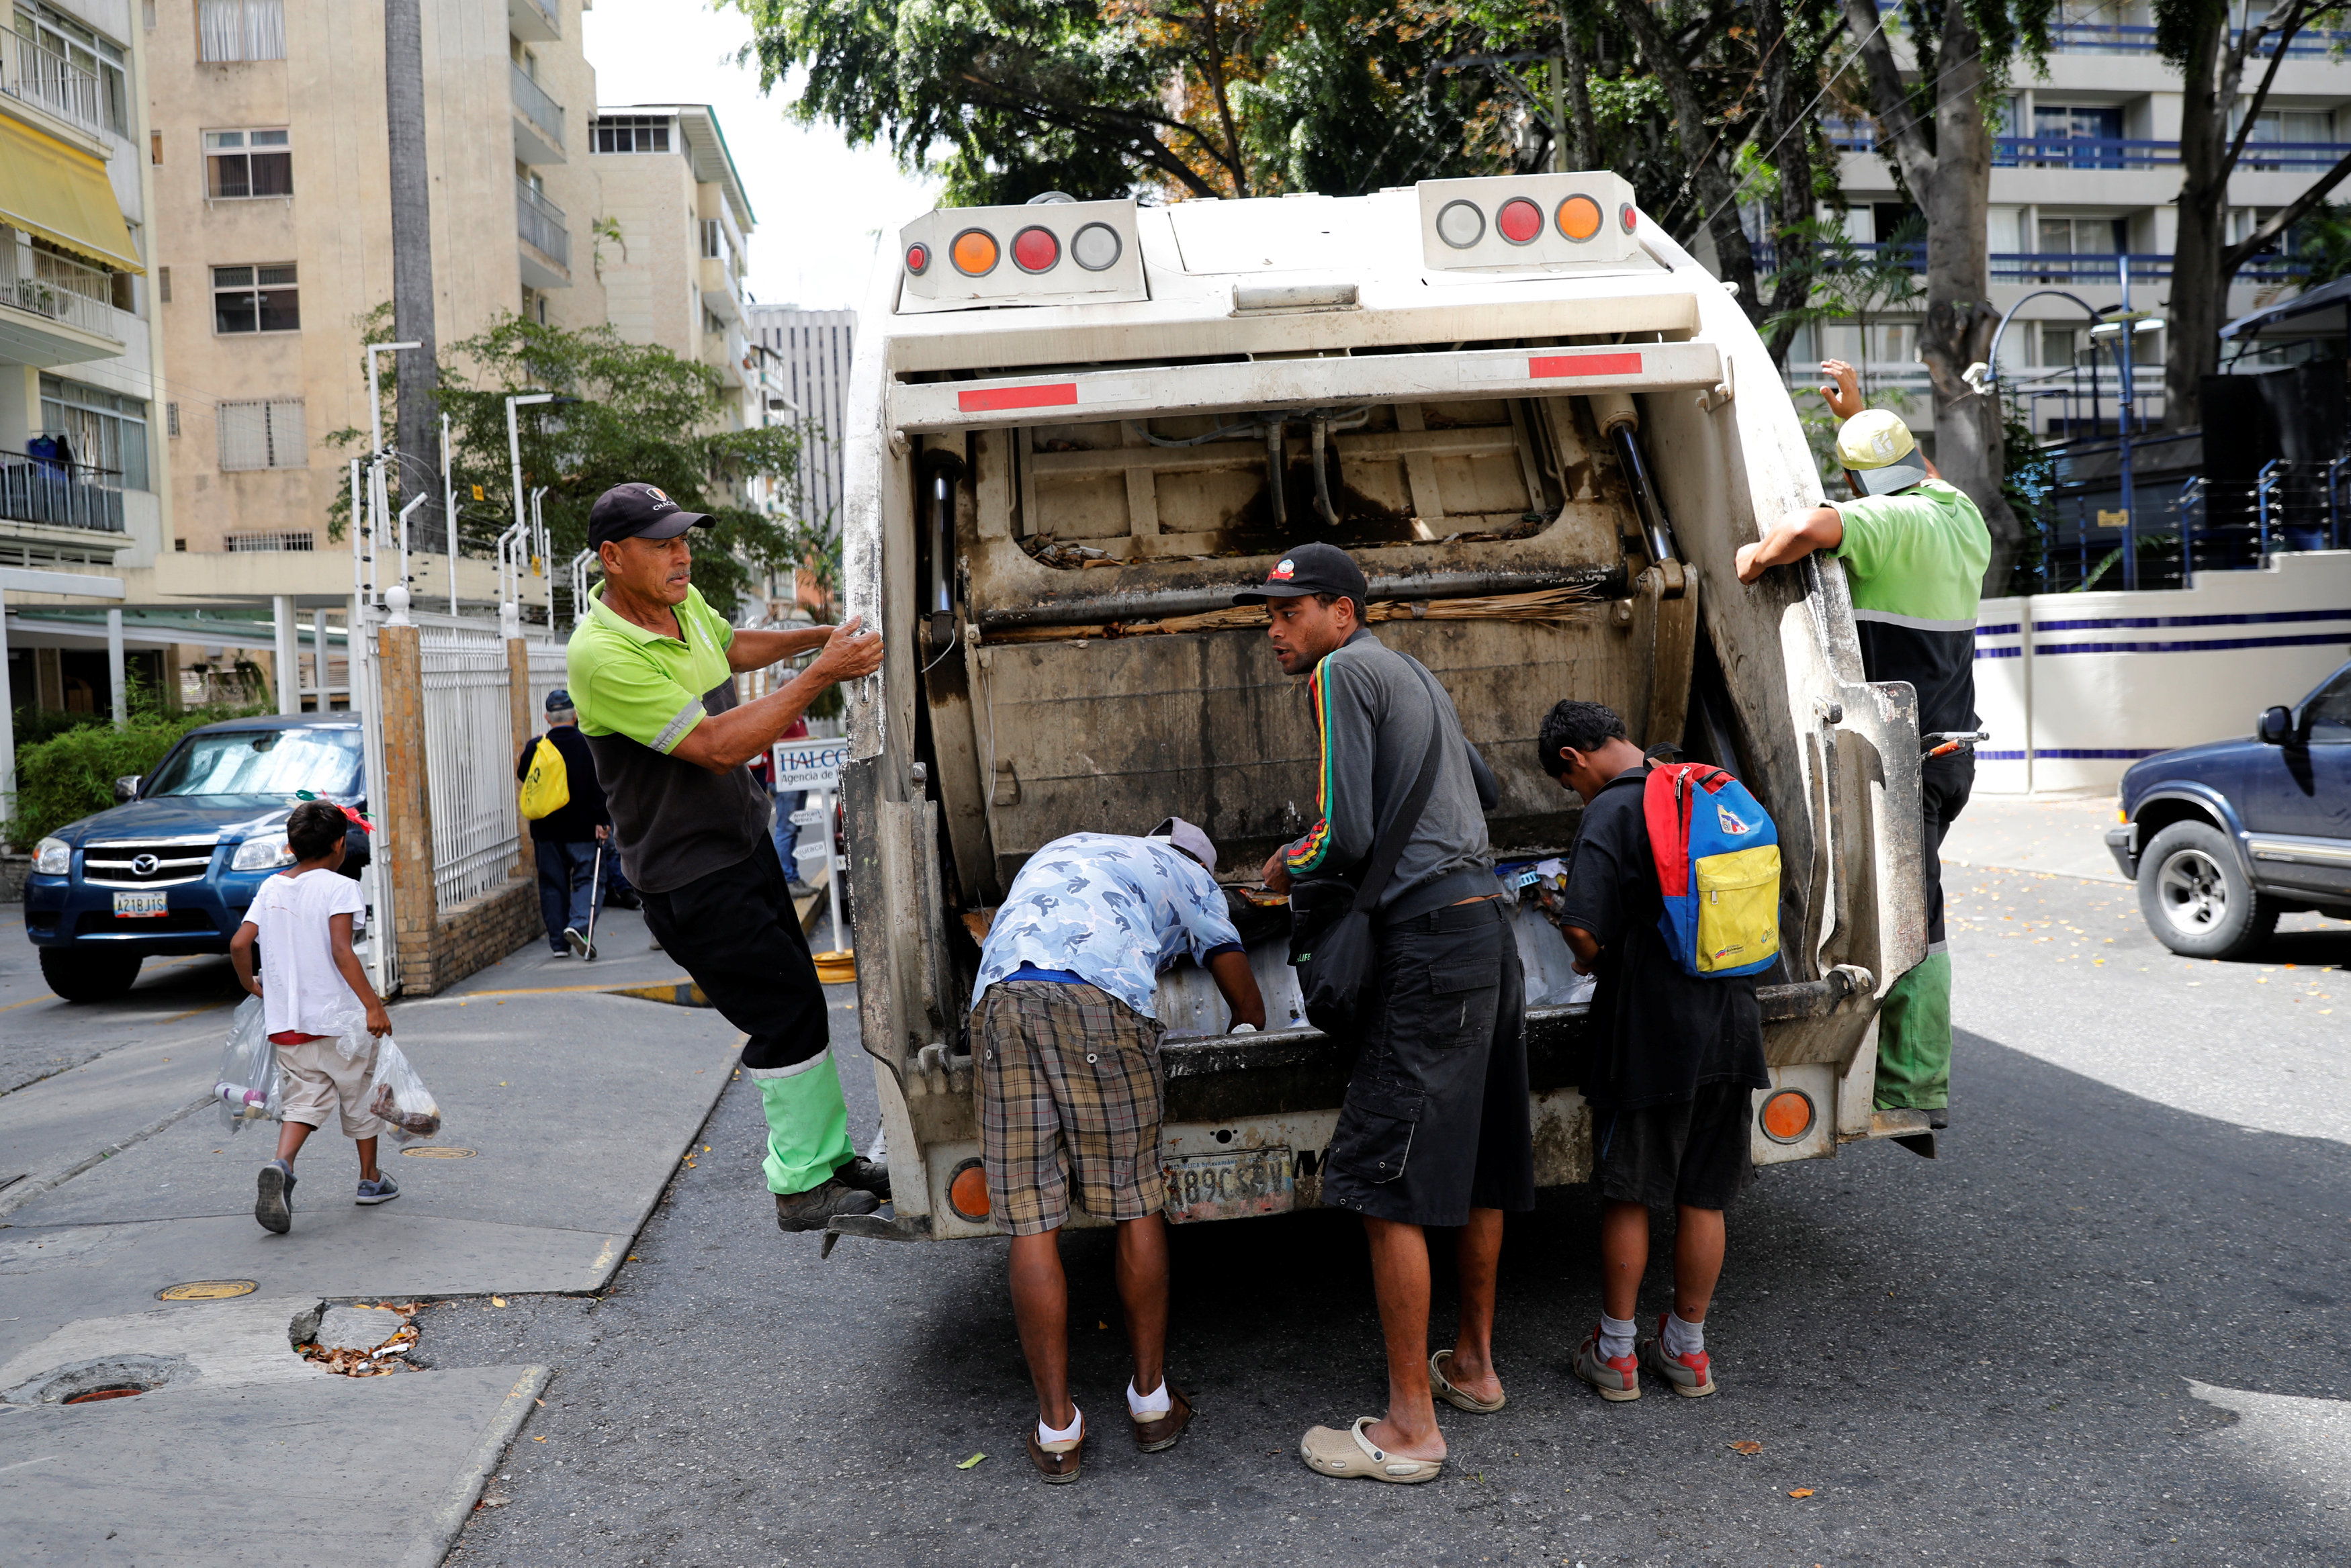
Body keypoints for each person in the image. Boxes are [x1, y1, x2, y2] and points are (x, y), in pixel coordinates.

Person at [1236, 543, 1533, 1486]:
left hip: (1430, 944)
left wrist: (1290, 859)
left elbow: (1346, 832)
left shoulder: (1338, 674)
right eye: (1269, 616)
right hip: (1489, 924)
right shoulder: (1414, 676)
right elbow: (1485, 790)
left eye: (1290, 612)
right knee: (1482, 1159)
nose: (1275, 629)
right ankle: (1474, 1366)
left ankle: (1412, 1427)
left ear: (1343, 614)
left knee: (1377, 1174)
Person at [566, 481, 888, 1232]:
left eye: (683, 540)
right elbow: (717, 747)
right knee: (782, 1014)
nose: (680, 555)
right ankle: (801, 1185)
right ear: (612, 558)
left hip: (737, 844)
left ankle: (830, 1159)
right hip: (689, 872)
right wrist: (824, 672)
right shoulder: (603, 652)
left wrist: (820, 636)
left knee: (800, 1001)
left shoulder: (678, 607)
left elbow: (733, 644)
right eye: (661, 543)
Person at [1734, 361, 1991, 1135]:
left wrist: (1751, 559)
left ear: (1859, 479)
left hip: (1907, 757)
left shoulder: (1882, 526)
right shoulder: (1957, 512)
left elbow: (1810, 530)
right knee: (1917, 907)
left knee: (1913, 920)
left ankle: (1914, 1085)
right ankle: (1903, 1073)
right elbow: (1912, 483)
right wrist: (1856, 411)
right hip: (1953, 753)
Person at [969, 818, 1266, 1483]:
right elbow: (1248, 1005)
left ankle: (1055, 1431)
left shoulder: (1069, 847)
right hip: (1097, 1000)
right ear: (1198, 861)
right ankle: (1151, 1404)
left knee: (1031, 1218)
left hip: (999, 1000)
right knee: (1136, 1202)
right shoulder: (1192, 876)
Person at [1538, 700, 1768, 1403]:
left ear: (1573, 758)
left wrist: (1588, 948)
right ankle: (1687, 1352)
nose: (1576, 792)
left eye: (1566, 781)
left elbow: (1581, 929)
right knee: (1704, 1191)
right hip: (1730, 1013)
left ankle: (1615, 1355)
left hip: (1650, 1027)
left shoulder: (1611, 808)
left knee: (1630, 1190)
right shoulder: (1702, 785)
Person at [230, 799, 397, 1234]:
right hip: (338, 1020)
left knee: (303, 1101)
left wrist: (251, 983)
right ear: (340, 843)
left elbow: (239, 943)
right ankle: (370, 1179)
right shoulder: (339, 886)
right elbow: (343, 951)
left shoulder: (271, 887)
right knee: (360, 1092)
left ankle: (281, 1164)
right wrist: (373, 1005)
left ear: (291, 844)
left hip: (286, 1024)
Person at [517, 687, 611, 960]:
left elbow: (525, 776)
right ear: (575, 716)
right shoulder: (588, 743)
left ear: (548, 718)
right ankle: (579, 926)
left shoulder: (537, 747)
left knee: (552, 884)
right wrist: (602, 821)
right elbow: (600, 784)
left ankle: (559, 943)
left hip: (546, 831)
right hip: (583, 829)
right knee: (589, 879)